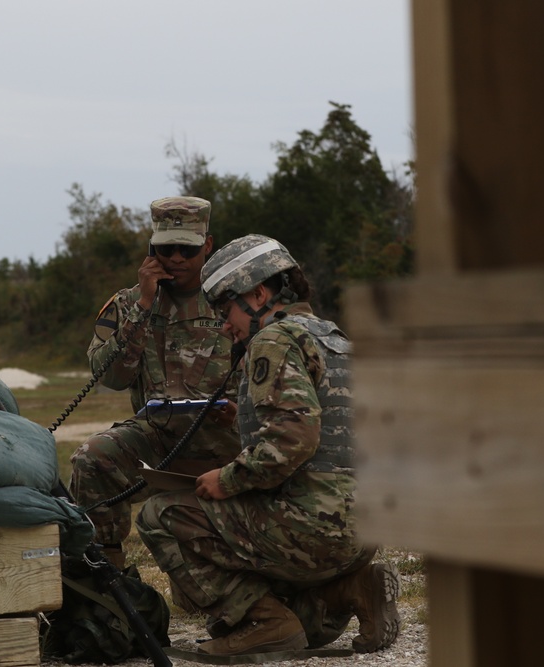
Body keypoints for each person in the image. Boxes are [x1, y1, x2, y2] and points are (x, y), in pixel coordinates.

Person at [135, 234, 400, 656]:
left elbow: (293, 438)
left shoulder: (273, 341)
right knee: (305, 629)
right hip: (364, 529)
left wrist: (228, 479)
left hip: (312, 527)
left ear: (259, 294)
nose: (224, 324)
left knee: (158, 514)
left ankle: (265, 621)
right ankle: (352, 587)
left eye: (226, 309)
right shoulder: (334, 339)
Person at [69, 196, 241, 571]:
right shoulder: (129, 303)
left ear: (207, 245)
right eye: (166, 249)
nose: (177, 258)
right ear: (151, 248)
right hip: (157, 442)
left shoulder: (235, 301)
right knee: (92, 459)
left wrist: (242, 411)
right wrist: (144, 306)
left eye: (187, 249)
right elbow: (110, 377)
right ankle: (108, 576)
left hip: (228, 441)